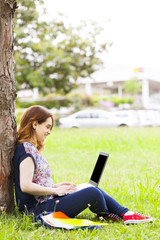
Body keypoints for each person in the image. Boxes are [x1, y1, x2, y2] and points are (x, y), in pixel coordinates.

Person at [13, 105, 153, 225]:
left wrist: (56, 186)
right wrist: (55, 191)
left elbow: (34, 180)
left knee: (90, 187)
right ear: (34, 124)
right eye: (47, 127)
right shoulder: (26, 149)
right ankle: (108, 214)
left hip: (46, 202)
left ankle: (125, 213)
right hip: (36, 210)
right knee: (92, 192)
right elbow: (25, 185)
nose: (49, 132)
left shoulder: (29, 148)